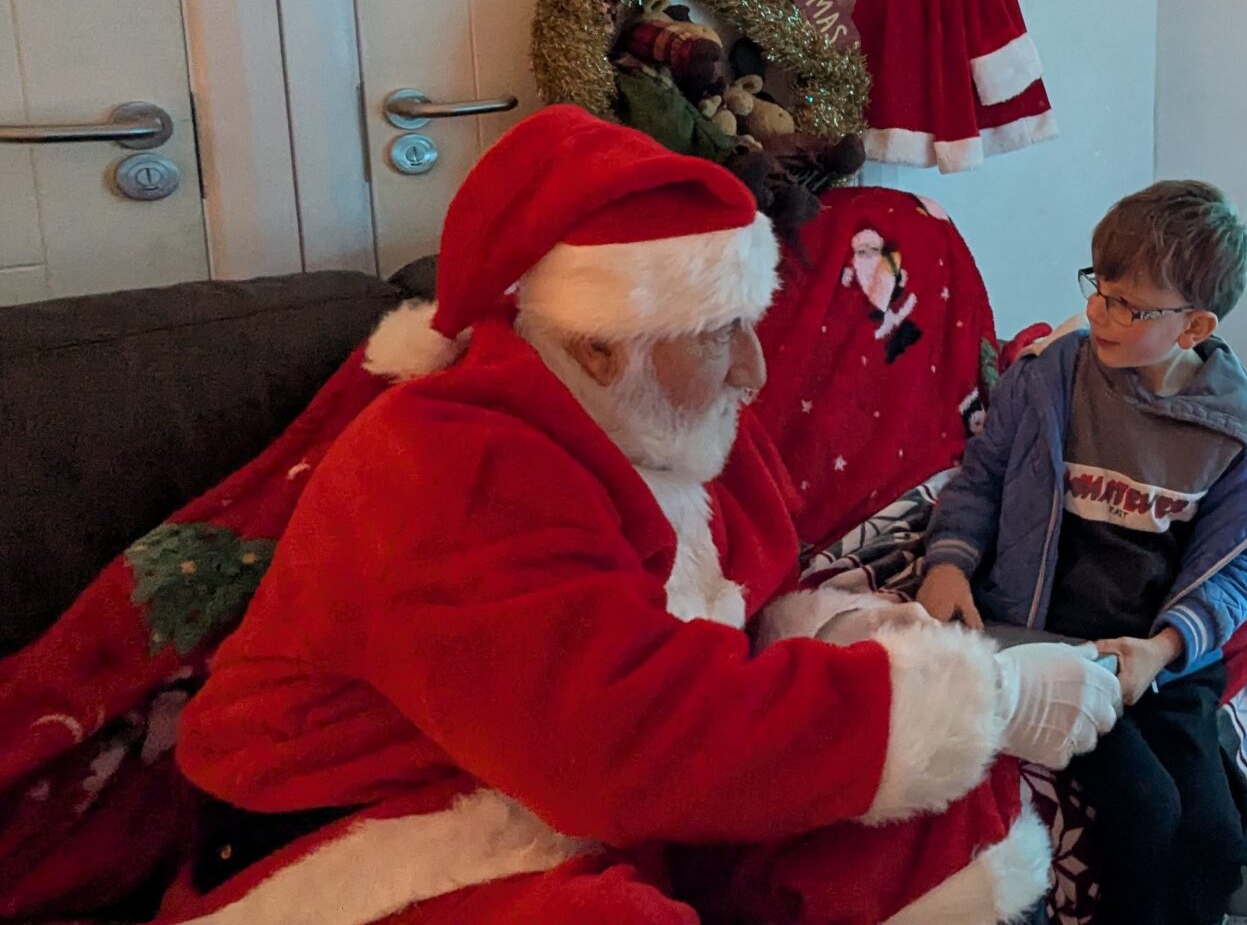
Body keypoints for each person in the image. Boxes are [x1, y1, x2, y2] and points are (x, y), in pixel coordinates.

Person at [165, 105, 1122, 925]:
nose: (753, 370)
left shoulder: (668, 421)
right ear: (598, 346)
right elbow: (621, 739)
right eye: (718, 334)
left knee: (939, 822)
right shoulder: (451, 465)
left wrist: (857, 636)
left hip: (571, 788)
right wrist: (989, 698)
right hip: (379, 831)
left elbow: (740, 616)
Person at [917, 181, 1247, 925]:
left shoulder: (1241, 429)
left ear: (1194, 326)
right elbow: (980, 478)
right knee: (1145, 804)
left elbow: (1245, 562)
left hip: (1160, 658)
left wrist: (1163, 650)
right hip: (1046, 639)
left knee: (1215, 834)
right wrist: (948, 562)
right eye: (1099, 289)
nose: (1097, 313)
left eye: (1128, 306)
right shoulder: (1049, 377)